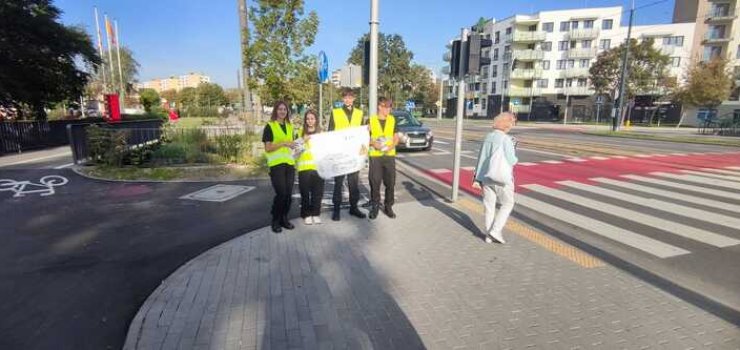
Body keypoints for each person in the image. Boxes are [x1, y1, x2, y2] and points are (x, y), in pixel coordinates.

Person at [472, 112, 518, 244]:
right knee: (508, 203)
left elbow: (481, 158)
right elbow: (511, 160)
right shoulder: (506, 139)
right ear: (507, 124)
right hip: (501, 179)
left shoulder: (488, 137)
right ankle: (495, 230)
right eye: (512, 122)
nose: (512, 125)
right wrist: (515, 153)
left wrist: (477, 177)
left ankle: (488, 235)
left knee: (489, 206)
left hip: (486, 177)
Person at [328, 88, 366, 221]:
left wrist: (362, 153)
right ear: (343, 99)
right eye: (345, 97)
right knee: (338, 183)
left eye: (350, 97)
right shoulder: (336, 112)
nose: (348, 99)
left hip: (354, 154)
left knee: (353, 183)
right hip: (340, 154)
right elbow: (330, 133)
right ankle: (336, 210)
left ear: (354, 98)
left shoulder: (359, 113)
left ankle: (353, 208)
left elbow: (362, 134)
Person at [262, 101, 297, 233]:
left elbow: (292, 144)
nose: (283, 111)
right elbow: (268, 148)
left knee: (288, 194)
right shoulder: (270, 126)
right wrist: (283, 143)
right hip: (276, 165)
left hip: (289, 164)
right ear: (276, 111)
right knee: (281, 194)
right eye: (280, 109)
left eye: (285, 109)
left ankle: (284, 218)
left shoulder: (290, 126)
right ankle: (275, 220)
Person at [367, 97, 400, 220]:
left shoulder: (392, 120)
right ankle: (375, 206)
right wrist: (373, 144)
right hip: (375, 156)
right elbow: (365, 138)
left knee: (390, 182)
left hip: (389, 156)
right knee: (374, 182)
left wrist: (391, 145)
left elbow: (396, 137)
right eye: (386, 106)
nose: (388, 109)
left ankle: (388, 206)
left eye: (390, 107)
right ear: (380, 107)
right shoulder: (370, 120)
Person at [296, 110, 325, 225]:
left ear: (316, 120)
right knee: (305, 193)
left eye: (312, 118)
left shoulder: (321, 133)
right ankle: (306, 214)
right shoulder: (300, 132)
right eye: (308, 119)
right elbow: (295, 148)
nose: (310, 121)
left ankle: (316, 214)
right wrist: (304, 139)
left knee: (317, 193)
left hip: (318, 167)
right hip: (304, 168)